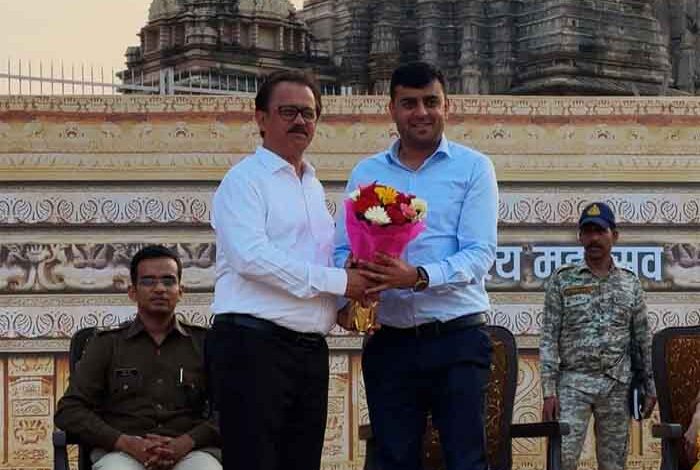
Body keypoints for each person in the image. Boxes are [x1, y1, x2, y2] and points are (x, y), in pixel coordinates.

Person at [334, 61, 499, 470]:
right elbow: (341, 249)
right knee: (393, 460)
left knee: (465, 461)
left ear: (447, 106)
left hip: (456, 339)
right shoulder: (366, 173)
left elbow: (480, 253)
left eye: (430, 102)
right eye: (409, 103)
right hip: (389, 343)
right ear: (391, 109)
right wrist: (356, 275)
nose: (421, 112)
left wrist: (418, 277)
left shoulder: (474, 167)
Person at [206, 69, 372, 470]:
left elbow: (314, 264)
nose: (300, 121)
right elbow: (250, 257)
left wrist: (347, 305)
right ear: (261, 118)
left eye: (308, 113)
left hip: (308, 352)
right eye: (288, 112)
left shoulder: (313, 186)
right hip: (253, 348)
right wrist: (342, 281)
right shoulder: (244, 181)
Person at [54, 245, 221, 470]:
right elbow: (69, 410)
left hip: (190, 452)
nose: (159, 289)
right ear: (132, 292)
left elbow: (232, 408)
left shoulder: (204, 343)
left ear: (181, 291)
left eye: (168, 281)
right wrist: (126, 443)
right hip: (122, 453)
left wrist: (186, 442)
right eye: (148, 281)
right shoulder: (106, 344)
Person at [540, 202, 657, 470]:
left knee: (613, 464)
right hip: (573, 384)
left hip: (617, 385)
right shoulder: (562, 279)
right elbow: (548, 338)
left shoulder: (630, 282)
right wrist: (548, 392)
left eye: (600, 231)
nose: (594, 238)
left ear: (614, 236)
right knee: (562, 460)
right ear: (580, 236)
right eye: (588, 231)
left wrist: (651, 387)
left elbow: (643, 338)